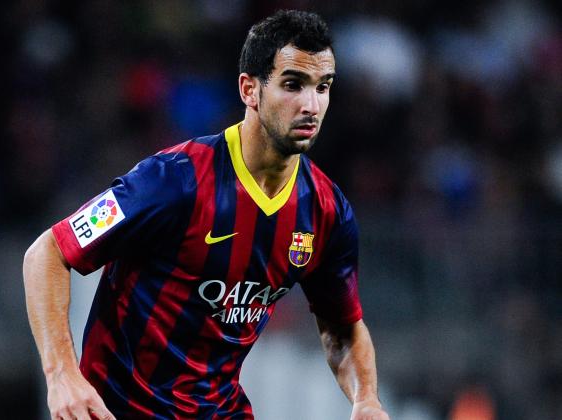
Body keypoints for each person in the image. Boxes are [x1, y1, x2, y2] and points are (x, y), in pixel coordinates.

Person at [23, 9, 389, 420]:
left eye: (323, 87)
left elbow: (342, 328)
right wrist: (61, 373)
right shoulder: (173, 180)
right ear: (250, 90)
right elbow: (47, 252)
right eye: (293, 84)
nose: (311, 104)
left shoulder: (326, 210)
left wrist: (366, 398)